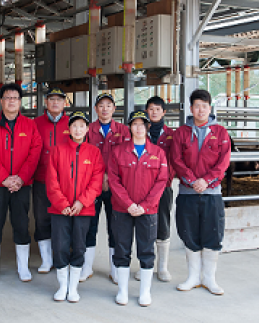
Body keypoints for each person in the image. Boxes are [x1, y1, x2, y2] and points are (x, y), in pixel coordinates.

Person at [0, 83, 43, 283]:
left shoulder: (30, 125)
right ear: (1, 101)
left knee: (21, 224)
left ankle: (23, 268)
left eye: (15, 98)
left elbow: (35, 153)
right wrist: (4, 178)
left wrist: (21, 178)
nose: (11, 101)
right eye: (7, 98)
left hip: (21, 185)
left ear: (20, 101)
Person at [170, 89, 231, 295]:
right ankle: (193, 276)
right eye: (197, 106)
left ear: (210, 108)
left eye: (204, 106)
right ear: (191, 108)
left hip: (212, 193)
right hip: (188, 193)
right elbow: (176, 159)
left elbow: (223, 162)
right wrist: (191, 180)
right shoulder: (181, 133)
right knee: (189, 233)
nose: (200, 110)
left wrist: (206, 181)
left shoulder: (220, 132)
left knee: (212, 233)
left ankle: (209, 278)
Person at [107, 110, 168, 306]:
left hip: (148, 212)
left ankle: (145, 293)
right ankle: (122, 291)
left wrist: (145, 205)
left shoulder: (158, 153)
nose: (139, 128)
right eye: (135, 124)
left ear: (148, 127)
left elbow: (161, 182)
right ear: (129, 127)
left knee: (146, 251)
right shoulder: (118, 151)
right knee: (122, 249)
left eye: (143, 124)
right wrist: (129, 204)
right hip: (122, 210)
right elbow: (114, 182)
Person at [47, 111, 105, 302]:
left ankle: (73, 288)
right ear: (69, 129)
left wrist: (81, 202)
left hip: (84, 209)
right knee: (61, 246)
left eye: (82, 126)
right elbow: (51, 180)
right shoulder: (57, 150)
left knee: (79, 247)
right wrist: (62, 203)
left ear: (87, 129)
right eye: (74, 126)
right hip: (59, 210)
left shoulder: (94, 153)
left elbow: (96, 182)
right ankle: (62, 286)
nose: (78, 129)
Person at [82, 93, 131, 284]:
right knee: (89, 226)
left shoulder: (123, 131)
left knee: (116, 227)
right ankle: (86, 267)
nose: (104, 109)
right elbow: (83, 156)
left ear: (114, 109)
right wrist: (98, 178)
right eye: (101, 105)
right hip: (92, 186)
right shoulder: (88, 129)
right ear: (95, 109)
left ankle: (115, 268)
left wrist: (110, 177)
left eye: (108, 105)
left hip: (115, 186)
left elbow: (126, 157)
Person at [135, 96, 176, 282]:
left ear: (164, 112)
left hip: (163, 187)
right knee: (144, 225)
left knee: (163, 223)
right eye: (150, 109)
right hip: (142, 187)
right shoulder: (139, 132)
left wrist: (167, 179)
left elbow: (175, 159)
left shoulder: (171, 135)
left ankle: (163, 267)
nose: (154, 112)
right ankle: (145, 265)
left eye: (158, 109)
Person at [32, 87, 71, 273]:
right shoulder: (35, 123)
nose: (55, 102)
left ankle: (61, 257)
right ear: (45, 102)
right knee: (42, 219)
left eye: (59, 99)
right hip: (41, 180)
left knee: (62, 220)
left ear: (65, 103)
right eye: (51, 99)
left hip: (65, 183)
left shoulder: (72, 123)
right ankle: (46, 260)